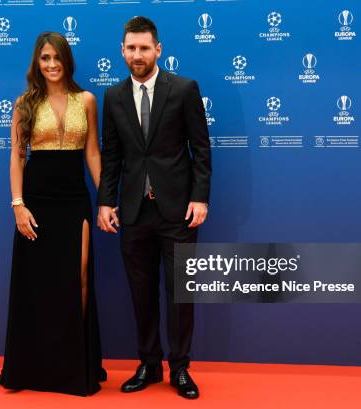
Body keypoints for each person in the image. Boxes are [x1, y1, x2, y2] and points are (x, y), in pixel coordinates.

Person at [97, 17, 212, 399]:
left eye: (144, 48)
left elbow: (201, 150)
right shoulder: (113, 97)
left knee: (180, 292)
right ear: (122, 51)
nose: (137, 55)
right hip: (133, 213)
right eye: (131, 48)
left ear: (158, 50)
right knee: (141, 292)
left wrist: (200, 198)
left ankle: (180, 369)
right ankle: (148, 363)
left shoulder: (182, 89)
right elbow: (111, 156)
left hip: (178, 210)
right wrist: (105, 202)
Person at [0, 31, 106, 396]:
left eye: (57, 57)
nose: (52, 64)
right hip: (37, 201)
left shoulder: (87, 100)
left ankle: (76, 367)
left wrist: (106, 197)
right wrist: (18, 206)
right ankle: (37, 368)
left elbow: (92, 153)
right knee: (38, 287)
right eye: (45, 58)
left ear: (67, 60)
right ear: (37, 62)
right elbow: (17, 156)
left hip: (75, 198)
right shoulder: (24, 103)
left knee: (78, 280)